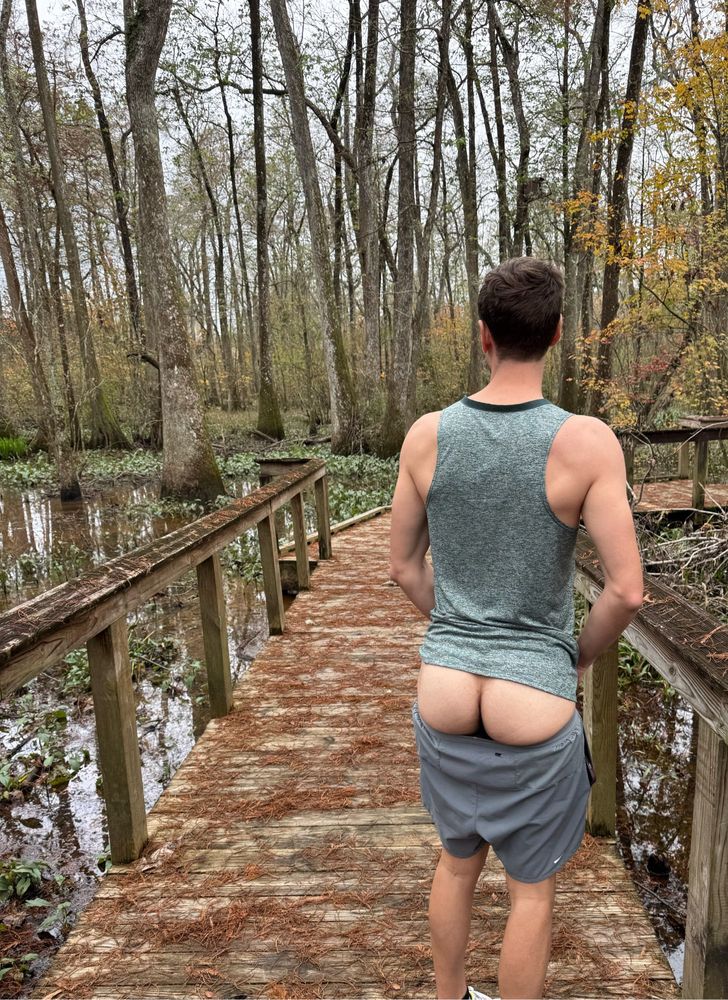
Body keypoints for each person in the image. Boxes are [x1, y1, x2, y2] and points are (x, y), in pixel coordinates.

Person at [388, 257, 644, 1000]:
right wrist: (571, 661)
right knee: (530, 892)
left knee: (456, 863)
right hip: (533, 697)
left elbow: (404, 568)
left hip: (443, 688)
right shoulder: (586, 442)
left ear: (482, 337)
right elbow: (626, 591)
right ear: (558, 333)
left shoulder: (428, 436)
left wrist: (459, 629)